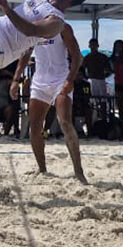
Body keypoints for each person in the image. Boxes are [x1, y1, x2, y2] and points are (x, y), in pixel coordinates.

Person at [13, 22, 86, 183]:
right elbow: (25, 54)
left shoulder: (63, 27)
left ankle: (78, 171)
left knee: (65, 122)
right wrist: (15, 80)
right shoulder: (33, 28)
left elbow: (77, 55)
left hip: (61, 79)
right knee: (35, 126)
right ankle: (42, 168)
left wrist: (70, 79)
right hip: (40, 81)